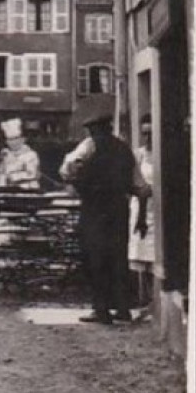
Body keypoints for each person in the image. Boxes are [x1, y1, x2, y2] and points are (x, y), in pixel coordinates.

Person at [61, 117, 151, 325]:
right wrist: (141, 215)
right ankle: (122, 309)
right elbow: (142, 188)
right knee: (118, 259)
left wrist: (74, 181)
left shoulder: (89, 146)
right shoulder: (124, 149)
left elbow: (68, 167)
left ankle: (101, 310)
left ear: (93, 131)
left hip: (95, 208)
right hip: (119, 210)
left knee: (95, 258)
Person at [129, 121, 156, 313]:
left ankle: (155, 299)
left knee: (155, 252)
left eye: (151, 133)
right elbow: (131, 180)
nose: (147, 138)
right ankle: (143, 297)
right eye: (144, 133)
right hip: (139, 206)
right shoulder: (138, 155)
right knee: (139, 250)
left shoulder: (163, 155)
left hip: (158, 206)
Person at [0, 119, 41, 189]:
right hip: (9, 188)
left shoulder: (30, 154)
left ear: (22, 139)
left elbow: (32, 174)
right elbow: (4, 173)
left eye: (15, 139)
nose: (13, 142)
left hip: (27, 188)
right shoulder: (6, 154)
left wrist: (14, 177)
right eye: (10, 140)